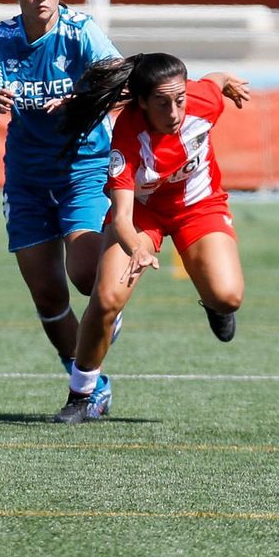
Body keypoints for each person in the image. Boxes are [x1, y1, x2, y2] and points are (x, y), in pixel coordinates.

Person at [51, 53, 251, 423]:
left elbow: (215, 80)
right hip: (142, 213)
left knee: (228, 296)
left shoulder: (202, 101)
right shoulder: (127, 137)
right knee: (107, 297)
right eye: (162, 103)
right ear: (142, 102)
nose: (174, 111)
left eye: (180, 100)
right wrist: (137, 249)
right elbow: (122, 217)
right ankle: (81, 395)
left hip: (198, 203)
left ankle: (214, 305)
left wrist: (229, 82)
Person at [0, 0, 123, 376]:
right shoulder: (0, 39)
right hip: (27, 178)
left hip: (84, 167)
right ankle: (88, 382)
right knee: (48, 296)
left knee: (84, 273)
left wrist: (77, 100)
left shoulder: (82, 32)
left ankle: (112, 306)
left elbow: (120, 80)